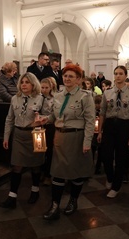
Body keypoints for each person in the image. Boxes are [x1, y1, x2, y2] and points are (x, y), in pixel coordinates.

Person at [42, 64, 95, 220]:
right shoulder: (58, 95)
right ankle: (55, 205)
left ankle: (73, 201)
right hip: (60, 138)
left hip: (77, 138)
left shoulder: (86, 96)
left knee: (76, 174)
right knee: (57, 173)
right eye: (65, 76)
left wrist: (87, 142)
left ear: (78, 79)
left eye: (71, 76)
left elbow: (90, 122)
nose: (67, 79)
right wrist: (44, 119)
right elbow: (54, 117)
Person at [0, 72, 45, 209]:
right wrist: (6, 137)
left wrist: (41, 118)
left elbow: (48, 116)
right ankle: (12, 197)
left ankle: (35, 191)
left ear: (33, 84)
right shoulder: (15, 98)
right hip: (19, 134)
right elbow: (9, 119)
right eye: (22, 82)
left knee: (35, 165)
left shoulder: (40, 98)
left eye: (27, 82)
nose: (24, 84)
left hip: (35, 134)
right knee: (17, 165)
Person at [97, 66, 129, 199]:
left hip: (123, 126)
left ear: (126, 76)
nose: (118, 76)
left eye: (121, 74)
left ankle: (116, 186)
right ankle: (109, 177)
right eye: (116, 73)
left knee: (121, 157)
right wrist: (99, 131)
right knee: (106, 156)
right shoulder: (107, 93)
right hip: (109, 125)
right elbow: (102, 113)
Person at [40, 77, 55, 186]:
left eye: (46, 87)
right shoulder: (38, 97)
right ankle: (40, 171)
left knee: (49, 151)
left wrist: (46, 118)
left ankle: (48, 175)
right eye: (42, 87)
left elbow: (55, 113)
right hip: (39, 126)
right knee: (40, 150)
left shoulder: (54, 98)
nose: (44, 90)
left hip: (50, 126)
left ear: (51, 88)